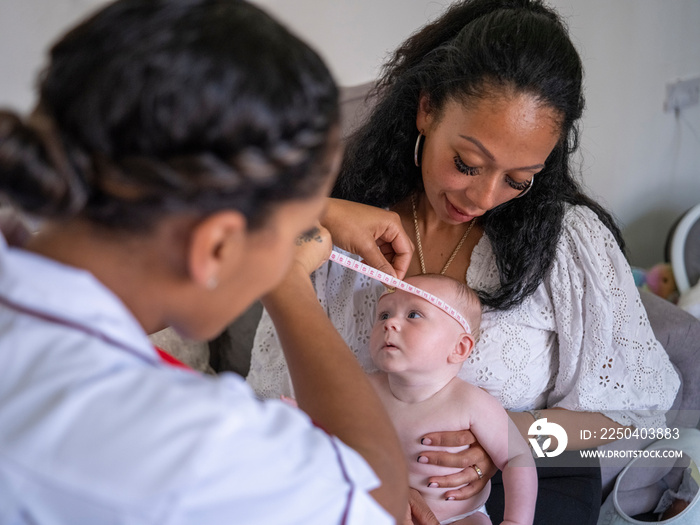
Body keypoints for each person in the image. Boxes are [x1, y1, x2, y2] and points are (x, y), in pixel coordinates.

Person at [246, 1, 681, 523]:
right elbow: (271, 402)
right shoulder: (332, 232)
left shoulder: (567, 243)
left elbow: (636, 412)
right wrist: (321, 209)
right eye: (466, 164)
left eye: (519, 179)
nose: (484, 196)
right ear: (426, 108)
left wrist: (505, 441)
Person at [0, 1, 408, 523]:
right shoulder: (185, 446)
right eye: (295, 229)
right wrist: (288, 281)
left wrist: (276, 219)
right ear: (217, 246)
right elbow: (378, 496)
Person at [367, 274, 536, 525]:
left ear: (459, 348)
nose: (390, 323)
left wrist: (515, 521)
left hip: (458, 518)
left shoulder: (471, 403)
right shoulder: (363, 388)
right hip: (375, 508)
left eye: (413, 314)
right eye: (383, 315)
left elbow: (517, 458)